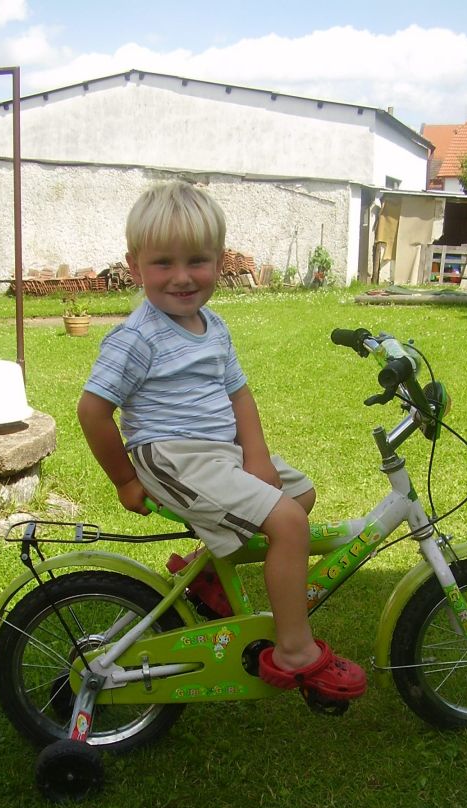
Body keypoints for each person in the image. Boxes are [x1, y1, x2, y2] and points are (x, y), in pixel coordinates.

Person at [77, 181, 365, 703]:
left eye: (197, 261)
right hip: (172, 455)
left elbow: (239, 394)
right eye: (163, 263)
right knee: (287, 523)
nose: (182, 277)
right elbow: (93, 410)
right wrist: (124, 480)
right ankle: (294, 651)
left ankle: (207, 576)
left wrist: (257, 456)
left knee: (300, 496)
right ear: (135, 267)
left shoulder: (213, 327)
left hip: (219, 452)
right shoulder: (137, 337)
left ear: (219, 260)